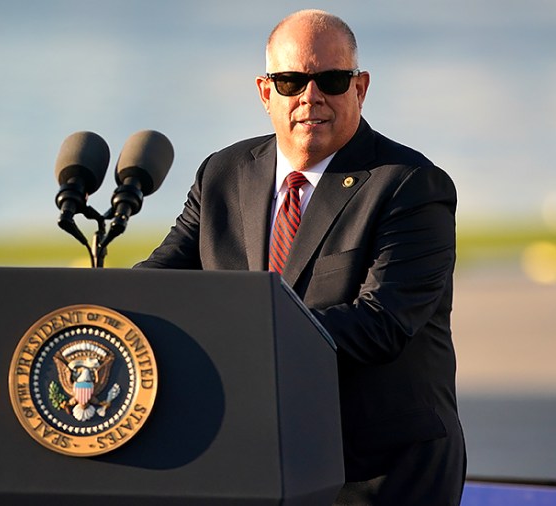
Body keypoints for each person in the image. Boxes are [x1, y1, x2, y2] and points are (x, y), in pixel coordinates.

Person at [137, 9, 465, 505]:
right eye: (291, 81)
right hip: (248, 458)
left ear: (361, 87)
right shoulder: (223, 174)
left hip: (375, 473)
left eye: (331, 80)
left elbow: (383, 325)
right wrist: (105, 304)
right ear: (266, 92)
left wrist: (242, 341)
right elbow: (164, 281)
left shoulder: (410, 184)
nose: (311, 98)